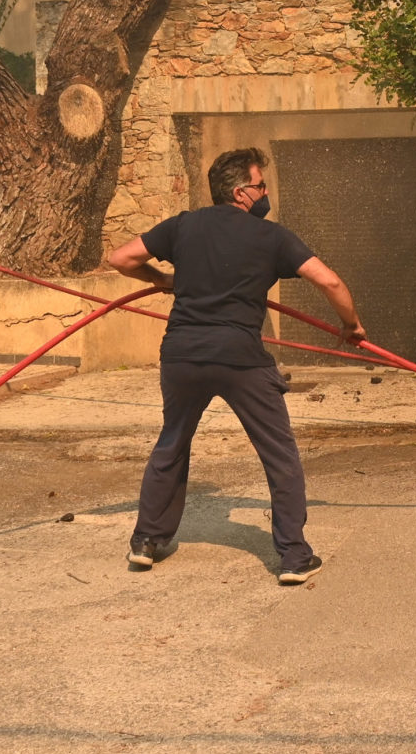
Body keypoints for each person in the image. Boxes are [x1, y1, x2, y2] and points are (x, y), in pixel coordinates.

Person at [107, 146, 366, 585]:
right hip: (240, 358)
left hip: (182, 354)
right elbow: (330, 281)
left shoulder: (183, 225)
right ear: (241, 192)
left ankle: (146, 542)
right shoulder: (272, 237)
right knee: (279, 455)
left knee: (172, 442)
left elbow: (121, 258)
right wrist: (352, 325)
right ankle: (294, 557)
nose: (266, 193)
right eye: (261, 184)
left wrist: (164, 280)